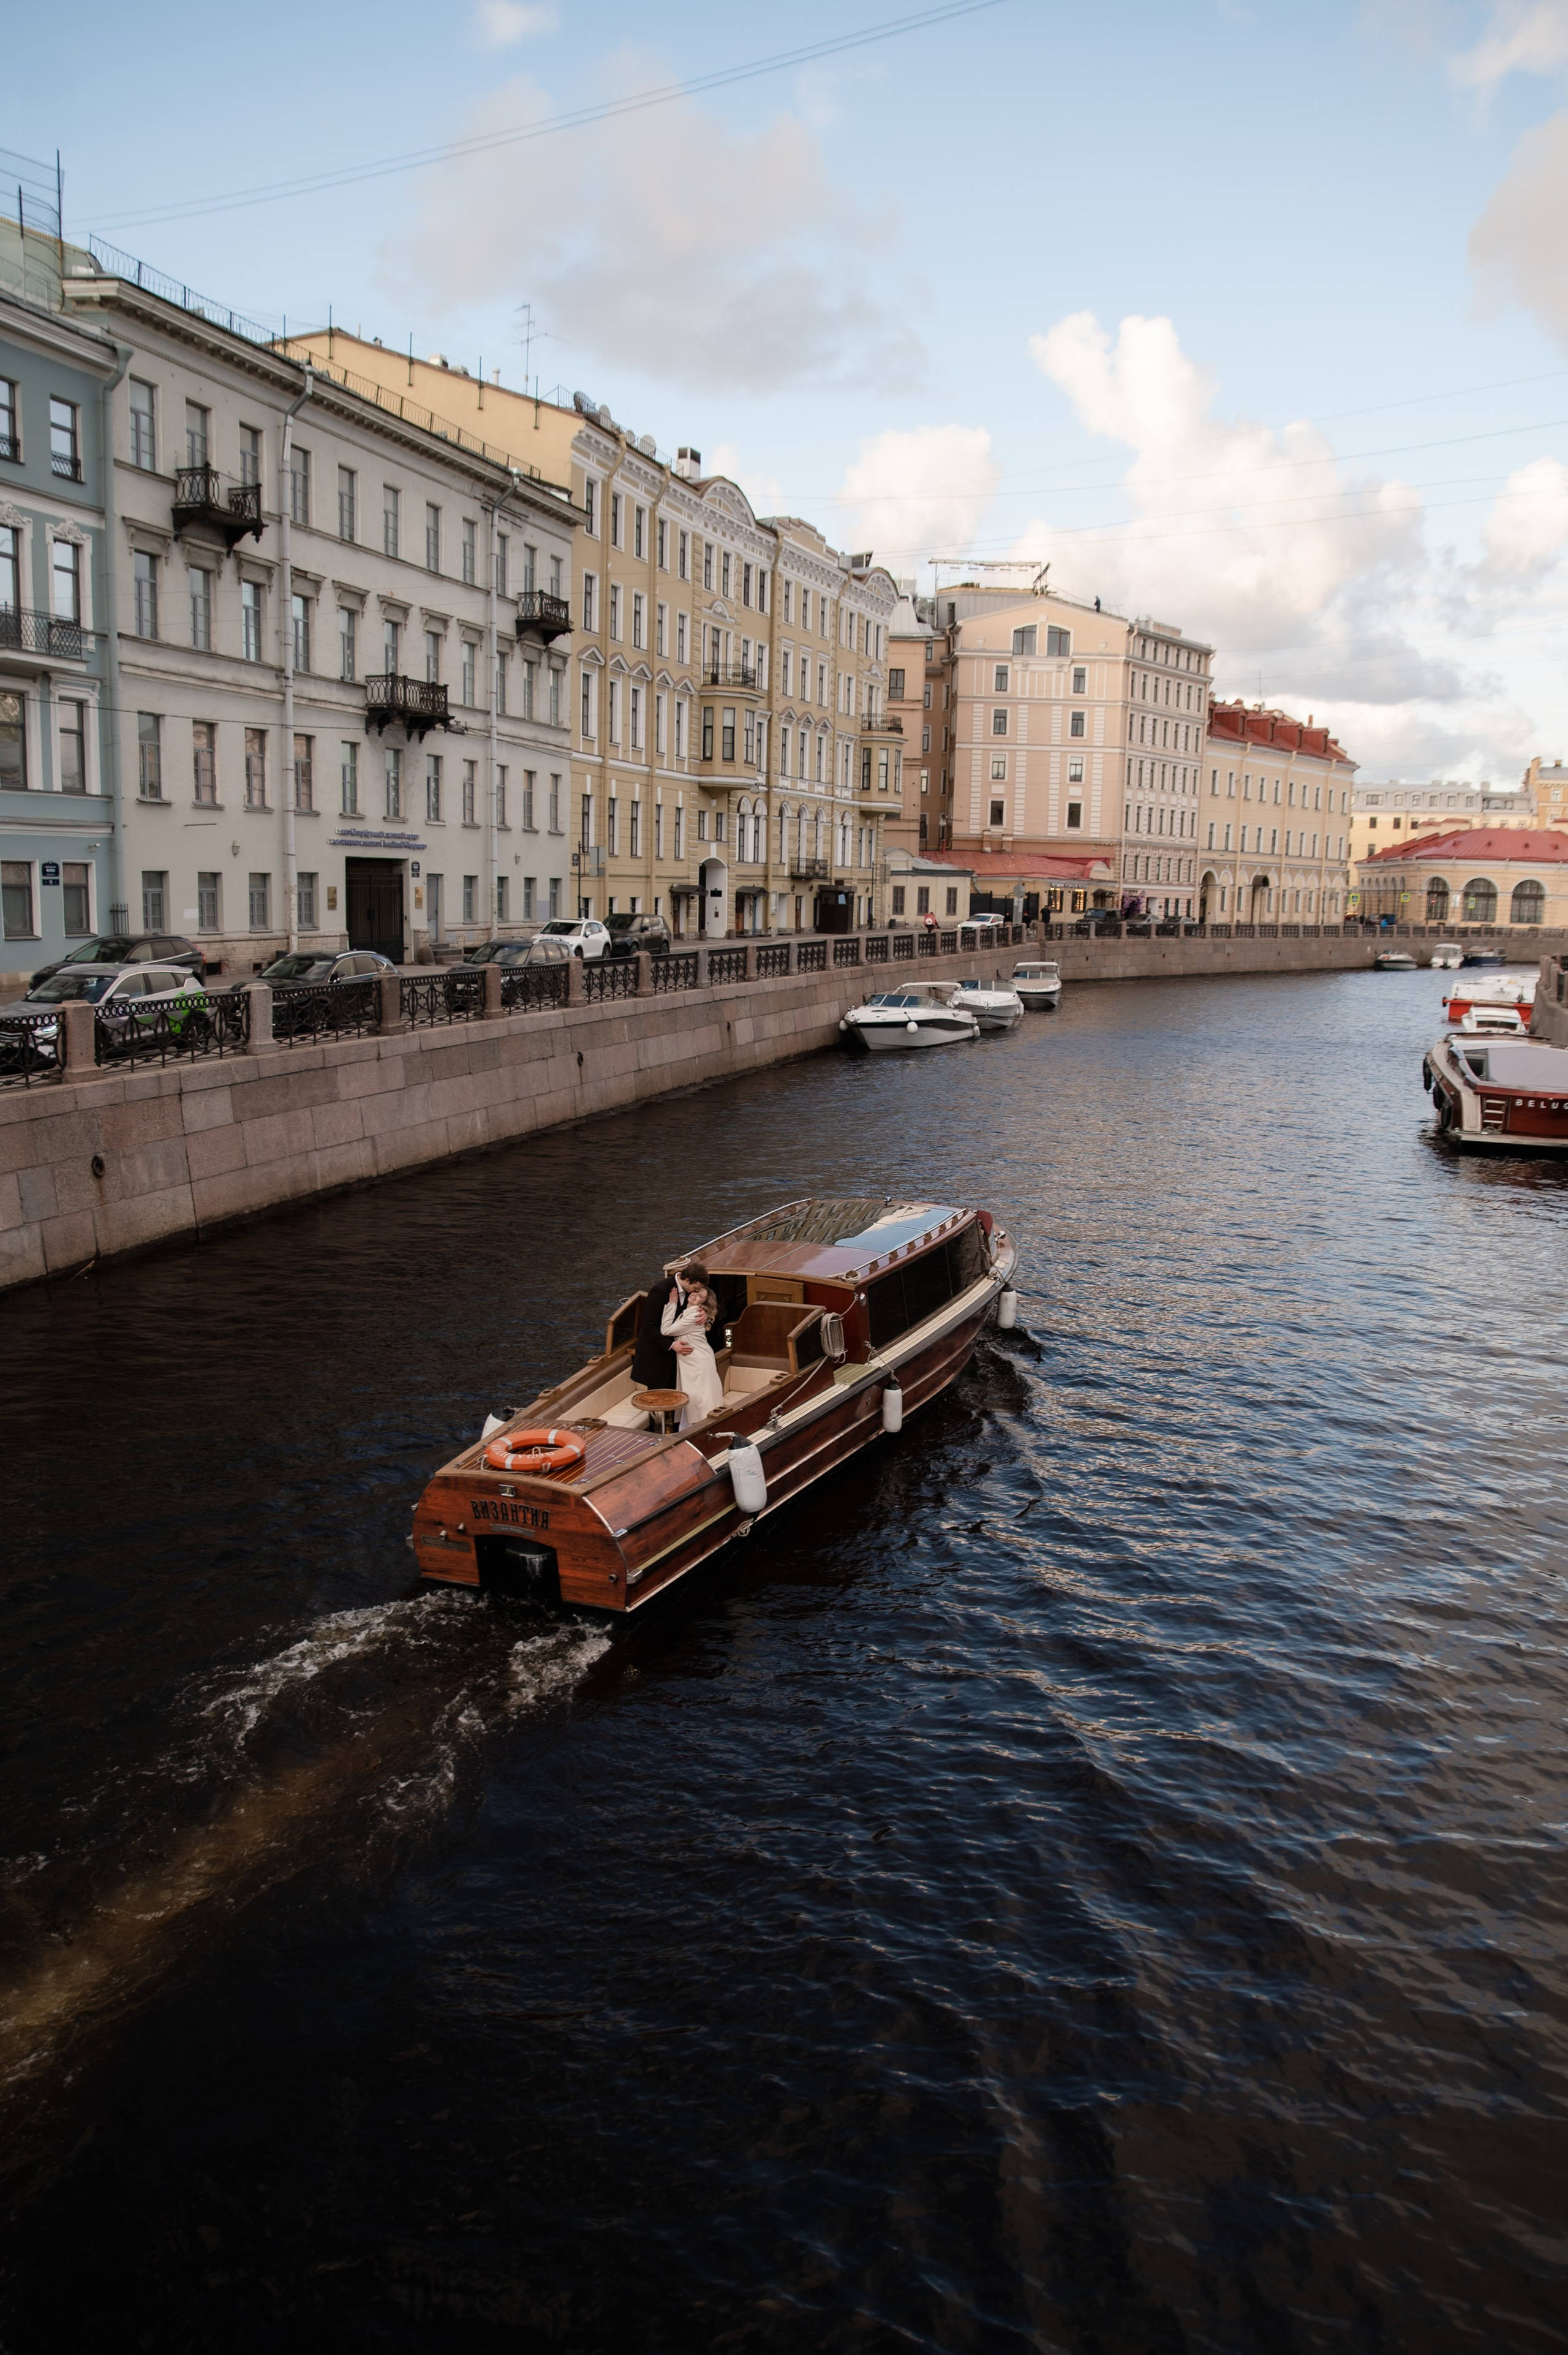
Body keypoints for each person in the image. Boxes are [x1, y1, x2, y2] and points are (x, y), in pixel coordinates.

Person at [631, 1260, 708, 1389]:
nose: (696, 1292)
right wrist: (671, 1345)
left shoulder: (691, 1290)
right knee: (658, 1395)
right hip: (657, 1354)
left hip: (677, 1356)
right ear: (687, 1280)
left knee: (675, 1393)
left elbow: (701, 1302)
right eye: (696, 1289)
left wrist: (704, 1311)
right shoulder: (660, 1290)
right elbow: (649, 1326)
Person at [661, 1279, 723, 1428]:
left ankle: (700, 1431)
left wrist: (672, 1305)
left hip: (697, 1363)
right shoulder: (692, 1312)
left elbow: (666, 1330)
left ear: (703, 1303)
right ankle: (691, 1431)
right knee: (695, 1401)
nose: (696, 1295)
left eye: (701, 1296)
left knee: (699, 1402)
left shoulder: (694, 1315)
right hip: (696, 1361)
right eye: (696, 1292)